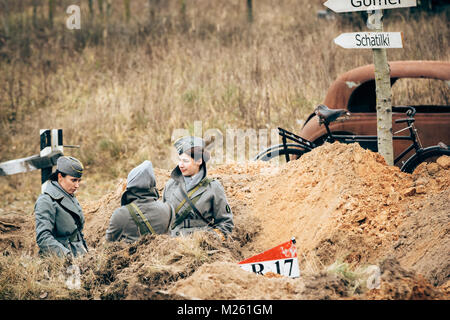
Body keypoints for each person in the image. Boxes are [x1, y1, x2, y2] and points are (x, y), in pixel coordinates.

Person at [163, 136, 234, 238]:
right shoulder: (170, 185)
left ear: (199, 161)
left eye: (185, 161)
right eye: (180, 160)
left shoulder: (213, 187)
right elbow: (164, 222)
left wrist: (208, 239)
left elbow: (226, 224)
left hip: (204, 247)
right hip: (173, 246)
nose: (180, 165)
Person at [106, 160, 174, 243]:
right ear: (152, 185)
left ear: (130, 187)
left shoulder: (121, 214)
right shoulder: (168, 209)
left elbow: (108, 245)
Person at [34, 156, 88, 258]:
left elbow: (77, 231)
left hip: (78, 254)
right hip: (60, 260)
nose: (77, 185)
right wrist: (66, 256)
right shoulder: (46, 201)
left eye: (79, 181)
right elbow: (43, 238)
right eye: (73, 180)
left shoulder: (67, 194)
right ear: (60, 177)